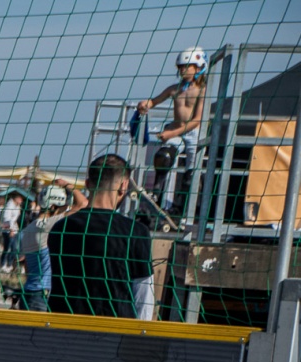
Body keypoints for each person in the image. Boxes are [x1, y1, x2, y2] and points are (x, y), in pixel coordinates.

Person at [50, 154, 154, 320]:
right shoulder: (136, 231)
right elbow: (143, 296)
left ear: (87, 184)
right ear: (124, 186)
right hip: (115, 327)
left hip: (63, 325)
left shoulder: (60, 228)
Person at [137, 47, 206, 208]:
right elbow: (155, 100)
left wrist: (171, 133)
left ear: (198, 68)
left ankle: (183, 207)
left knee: (191, 174)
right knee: (164, 157)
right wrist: (145, 104)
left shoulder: (202, 91)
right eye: (180, 67)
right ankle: (156, 194)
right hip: (176, 130)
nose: (182, 70)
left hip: (193, 133)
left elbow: (196, 120)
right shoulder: (174, 89)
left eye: (186, 66)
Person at [14, 183, 78, 312]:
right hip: (42, 294)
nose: (65, 210)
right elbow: (83, 204)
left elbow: (26, 266)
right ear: (53, 206)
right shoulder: (47, 225)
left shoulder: (29, 228)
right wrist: (66, 184)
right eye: (63, 208)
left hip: (28, 291)